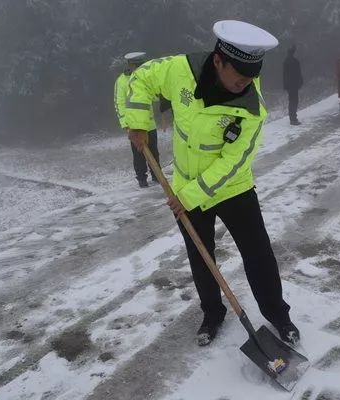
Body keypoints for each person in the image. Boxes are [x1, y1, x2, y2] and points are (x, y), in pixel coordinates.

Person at [125, 20, 300, 347]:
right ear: (218, 61)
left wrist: (189, 196)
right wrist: (137, 123)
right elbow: (141, 77)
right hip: (185, 184)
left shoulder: (251, 108)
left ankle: (278, 314)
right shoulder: (180, 70)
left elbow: (232, 163)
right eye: (239, 78)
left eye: (251, 79)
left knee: (258, 253)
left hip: (233, 189)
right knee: (201, 254)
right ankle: (212, 313)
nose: (245, 85)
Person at [114, 51, 161, 188]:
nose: (141, 67)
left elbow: (154, 95)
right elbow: (119, 104)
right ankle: (142, 179)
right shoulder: (121, 81)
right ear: (130, 65)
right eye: (138, 65)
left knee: (154, 152)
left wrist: (164, 100)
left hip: (149, 124)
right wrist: (126, 124)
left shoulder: (145, 76)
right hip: (133, 126)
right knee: (139, 153)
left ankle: (157, 176)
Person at [283, 44, 303, 126]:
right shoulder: (295, 61)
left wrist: (285, 85)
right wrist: (300, 82)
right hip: (294, 85)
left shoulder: (286, 61)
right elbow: (298, 73)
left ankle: (292, 118)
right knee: (294, 101)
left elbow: (284, 74)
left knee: (291, 101)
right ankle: (293, 119)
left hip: (289, 85)